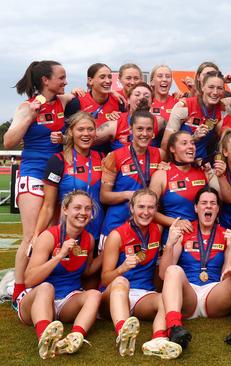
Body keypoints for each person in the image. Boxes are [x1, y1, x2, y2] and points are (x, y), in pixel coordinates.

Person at [158, 187, 231, 350]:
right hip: (188, 295)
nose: (208, 207)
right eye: (204, 203)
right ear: (196, 208)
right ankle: (174, 327)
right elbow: (163, 274)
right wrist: (169, 245)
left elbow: (226, 277)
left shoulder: (226, 234)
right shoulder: (184, 231)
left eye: (213, 203)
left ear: (218, 208)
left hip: (213, 295)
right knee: (173, 271)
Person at [6, 60, 75, 305]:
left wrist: (64, 136)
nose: (65, 82)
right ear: (45, 80)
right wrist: (31, 114)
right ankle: (18, 290)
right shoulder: (26, 107)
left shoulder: (64, 102)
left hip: (56, 175)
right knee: (31, 236)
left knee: (52, 233)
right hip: (33, 174)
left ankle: (46, 283)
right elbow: (9, 141)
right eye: (61, 77)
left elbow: (76, 116)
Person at [100, 189, 184, 359]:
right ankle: (123, 334)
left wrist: (169, 245)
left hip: (142, 296)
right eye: (141, 207)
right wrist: (122, 268)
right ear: (131, 208)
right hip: (114, 295)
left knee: (165, 299)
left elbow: (161, 274)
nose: (146, 212)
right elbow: (105, 278)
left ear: (156, 209)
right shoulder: (116, 235)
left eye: (151, 207)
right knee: (120, 281)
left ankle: (158, 339)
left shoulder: (157, 230)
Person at [19, 191, 101, 358]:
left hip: (67, 300)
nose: (83, 213)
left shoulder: (89, 239)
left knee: (94, 295)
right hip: (36, 300)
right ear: (65, 209)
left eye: (87, 209)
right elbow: (29, 280)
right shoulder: (49, 236)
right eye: (77, 208)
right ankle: (45, 339)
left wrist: (106, 254)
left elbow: (86, 271)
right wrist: (59, 256)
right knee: (46, 288)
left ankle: (75, 337)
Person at [34, 112, 104, 247]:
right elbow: (48, 206)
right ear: (71, 132)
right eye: (80, 129)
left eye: (90, 129)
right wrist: (37, 235)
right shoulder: (58, 161)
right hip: (66, 234)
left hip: (96, 233)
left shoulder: (103, 159)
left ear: (95, 133)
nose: (86, 134)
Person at [150, 130, 231, 239]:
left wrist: (221, 176)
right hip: (176, 237)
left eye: (192, 143)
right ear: (172, 148)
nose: (190, 147)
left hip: (204, 238)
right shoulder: (161, 175)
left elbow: (229, 199)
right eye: (184, 143)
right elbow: (149, 211)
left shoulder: (204, 170)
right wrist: (176, 222)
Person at [100, 109, 165, 247]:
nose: (144, 134)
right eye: (139, 129)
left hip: (147, 224)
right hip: (116, 223)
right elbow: (104, 196)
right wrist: (128, 195)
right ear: (131, 129)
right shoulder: (114, 156)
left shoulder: (160, 155)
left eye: (149, 129)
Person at [162, 71, 225, 160]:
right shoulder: (184, 106)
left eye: (219, 88)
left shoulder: (223, 110)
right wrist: (193, 138)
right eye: (211, 87)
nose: (215, 92)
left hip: (201, 164)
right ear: (202, 87)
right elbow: (166, 144)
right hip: (180, 163)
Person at [95, 82, 163, 150]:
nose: (142, 98)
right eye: (137, 94)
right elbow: (87, 139)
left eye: (146, 96)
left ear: (151, 102)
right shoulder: (115, 124)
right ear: (128, 100)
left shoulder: (159, 122)